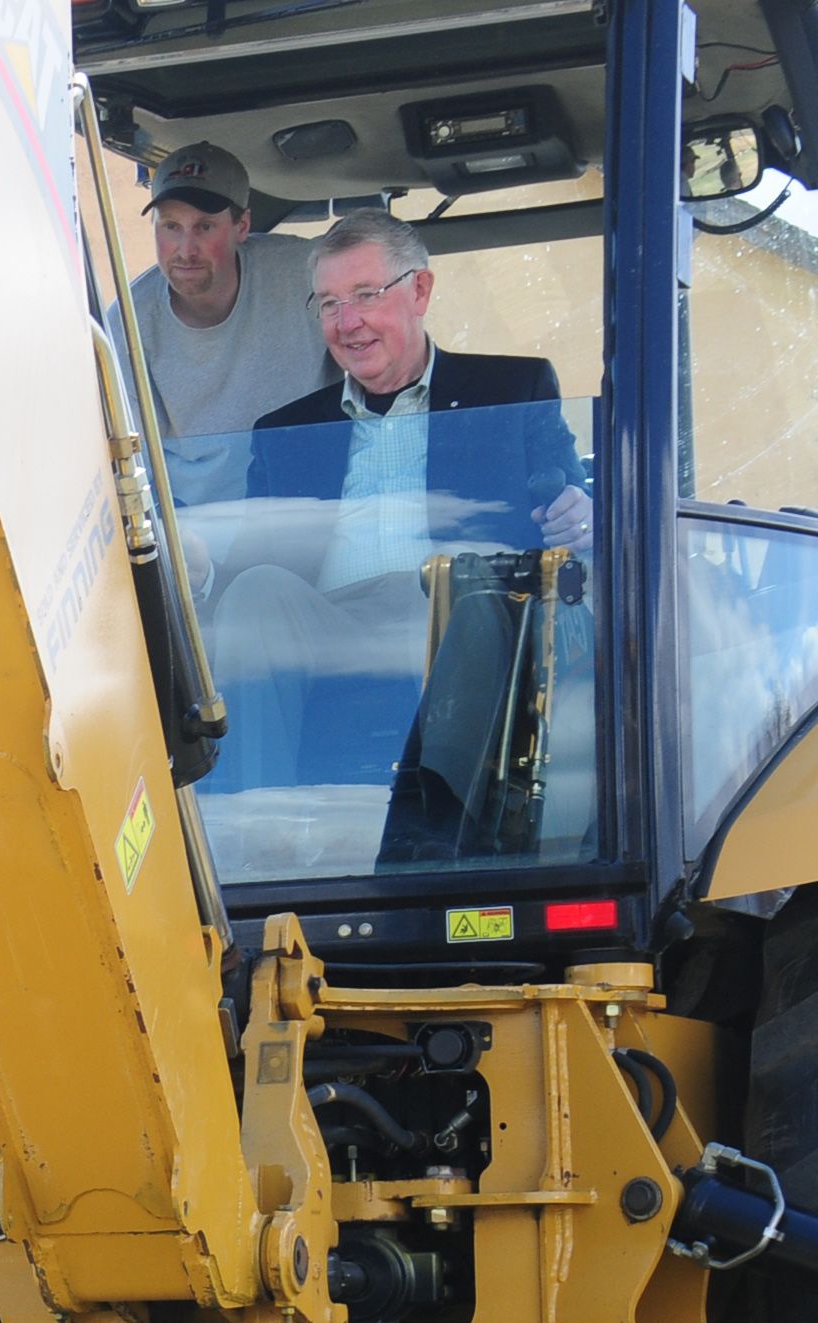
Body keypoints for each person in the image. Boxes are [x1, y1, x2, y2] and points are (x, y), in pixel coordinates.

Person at [204, 208, 590, 829]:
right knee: (255, 595)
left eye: (364, 295)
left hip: (450, 606)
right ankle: (257, 834)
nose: (346, 322)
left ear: (420, 291)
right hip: (328, 618)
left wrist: (583, 514)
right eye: (328, 303)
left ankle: (455, 832)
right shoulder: (286, 432)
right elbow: (253, 559)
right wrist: (198, 570)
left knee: (459, 598)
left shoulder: (510, 390)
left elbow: (569, 500)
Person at [121, 142, 336, 502]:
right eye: (171, 226)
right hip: (200, 531)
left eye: (204, 226)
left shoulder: (309, 272)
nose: (186, 249)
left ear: (243, 226)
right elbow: (133, 471)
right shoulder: (127, 324)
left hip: (313, 507)